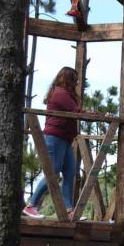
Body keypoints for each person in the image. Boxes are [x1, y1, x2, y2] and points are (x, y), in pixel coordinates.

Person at [22, 67, 82, 220]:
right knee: (52, 173)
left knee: (69, 173)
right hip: (55, 138)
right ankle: (31, 206)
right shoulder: (60, 93)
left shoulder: (63, 93)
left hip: (64, 139)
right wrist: (96, 115)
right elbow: (76, 111)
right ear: (67, 79)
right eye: (74, 79)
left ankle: (68, 211)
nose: (76, 82)